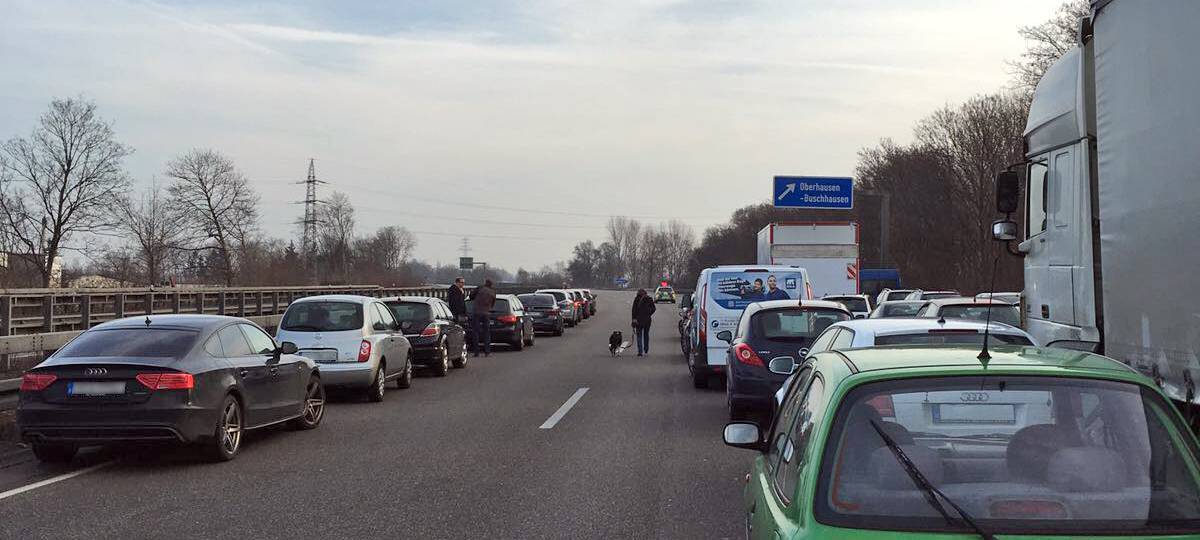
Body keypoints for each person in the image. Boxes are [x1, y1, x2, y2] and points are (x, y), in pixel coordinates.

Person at [470, 279, 497, 357]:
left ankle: (476, 352)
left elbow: (471, 296)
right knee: (487, 332)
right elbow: (493, 303)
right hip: (486, 313)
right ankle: (487, 351)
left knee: (475, 332)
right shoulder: (493, 292)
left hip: (477, 312)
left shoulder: (479, 288)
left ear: (485, 283)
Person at [631, 288, 657, 356]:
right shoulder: (649, 299)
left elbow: (634, 310)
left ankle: (640, 351)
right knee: (646, 334)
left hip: (638, 320)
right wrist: (649, 313)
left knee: (639, 335)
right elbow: (654, 308)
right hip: (647, 320)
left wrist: (634, 318)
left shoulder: (637, 299)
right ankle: (646, 348)